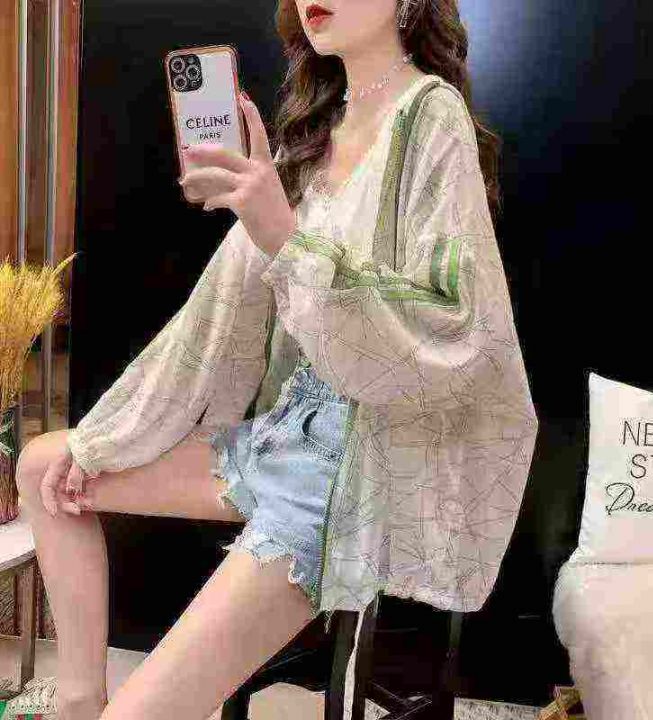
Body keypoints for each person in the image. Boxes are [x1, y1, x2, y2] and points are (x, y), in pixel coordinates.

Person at [15, 1, 539, 718]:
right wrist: (111, 434)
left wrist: (284, 236)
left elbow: (454, 318)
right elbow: (213, 318)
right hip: (290, 431)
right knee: (44, 465)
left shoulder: (430, 114)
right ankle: (77, 701)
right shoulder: (318, 131)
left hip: (359, 465)